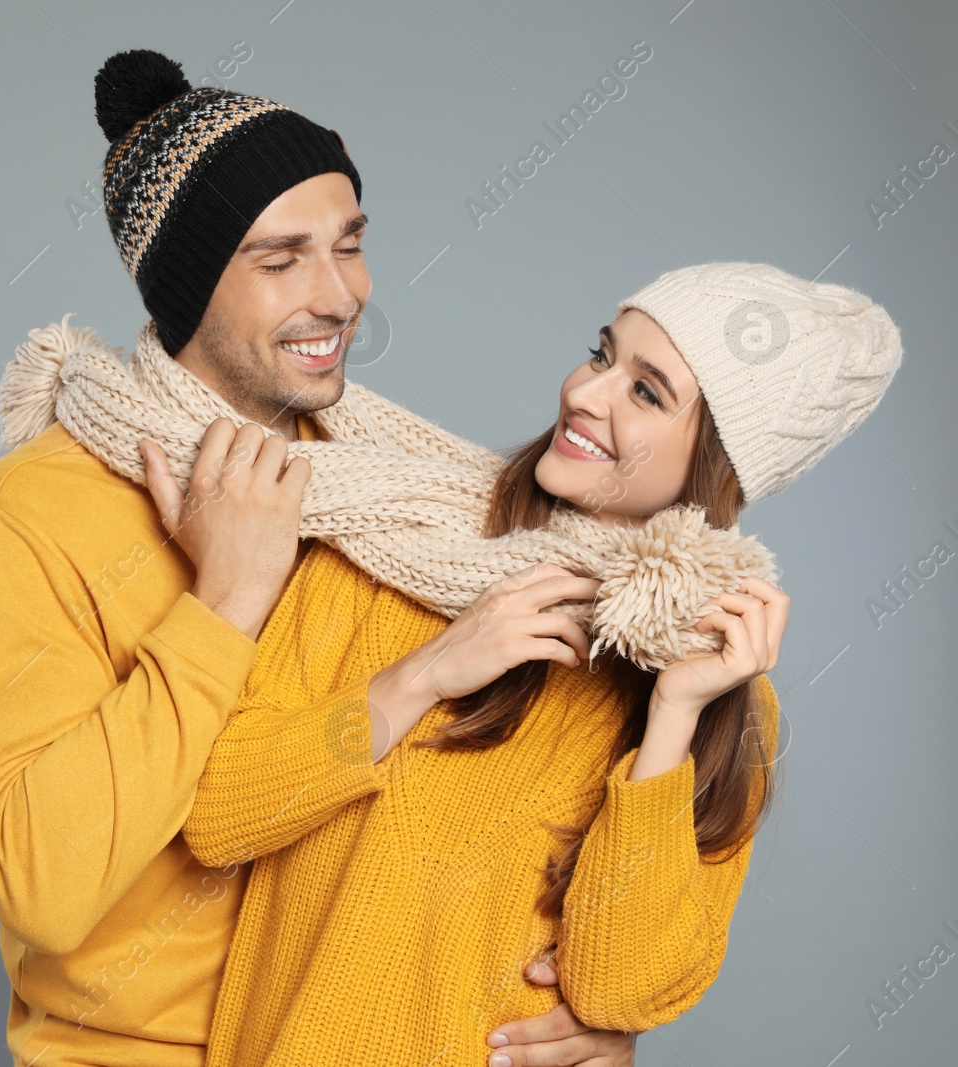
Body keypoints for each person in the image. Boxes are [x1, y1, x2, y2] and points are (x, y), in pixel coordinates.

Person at [0, 47, 636, 1067]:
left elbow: (500, 798)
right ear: (186, 283)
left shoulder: (394, 500)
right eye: (280, 260)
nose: (341, 292)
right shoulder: (32, 512)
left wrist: (586, 1002)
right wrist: (225, 597)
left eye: (349, 243)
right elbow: (40, 883)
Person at [160, 262, 902, 1066]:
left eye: (646, 392)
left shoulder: (722, 701)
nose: (586, 394)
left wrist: (673, 717)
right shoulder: (391, 546)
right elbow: (221, 815)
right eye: (601, 354)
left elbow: (618, 990)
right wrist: (427, 672)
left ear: (715, 470)